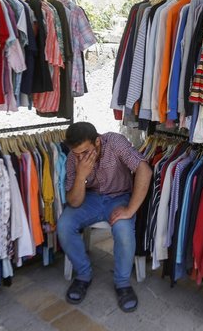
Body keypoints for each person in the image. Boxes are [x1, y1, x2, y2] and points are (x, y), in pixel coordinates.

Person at [58, 122, 152, 313]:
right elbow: (74, 202)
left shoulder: (114, 142)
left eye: (85, 152)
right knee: (64, 225)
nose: (81, 157)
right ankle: (83, 275)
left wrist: (130, 210)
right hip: (90, 199)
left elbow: (145, 170)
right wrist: (81, 175)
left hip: (119, 197)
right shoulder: (73, 158)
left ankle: (122, 282)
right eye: (77, 153)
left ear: (98, 141)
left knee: (123, 229)